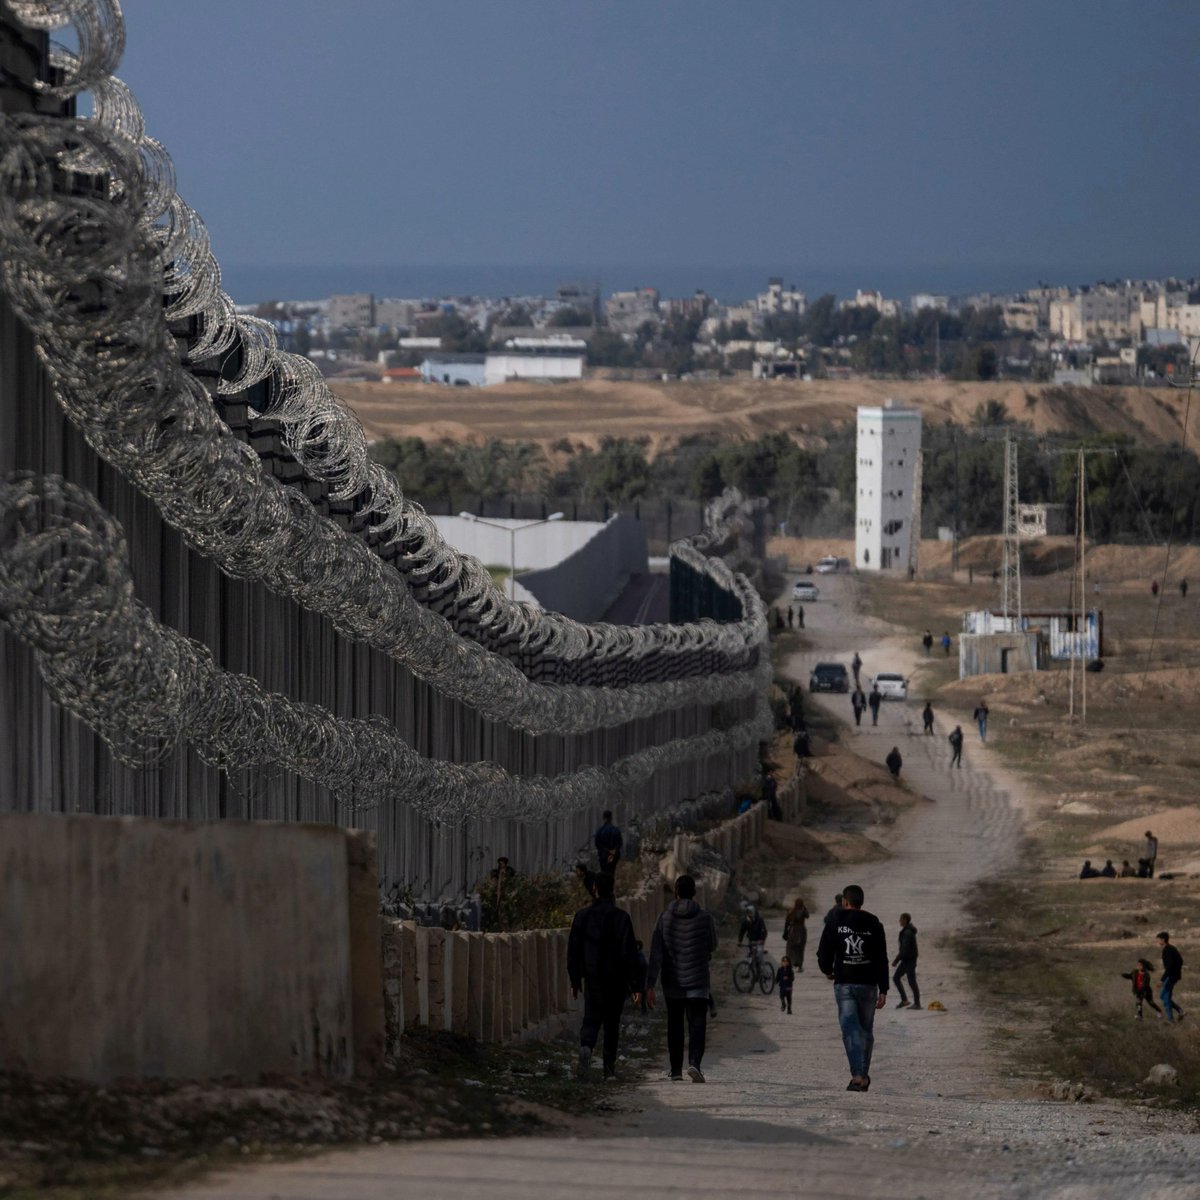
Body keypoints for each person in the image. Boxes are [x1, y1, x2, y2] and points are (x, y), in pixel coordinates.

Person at [567, 873, 641, 1081]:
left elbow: (573, 952)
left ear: (594, 890)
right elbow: (629, 953)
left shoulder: (582, 917)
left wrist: (575, 980)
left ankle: (586, 1046)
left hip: (592, 977)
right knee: (611, 1023)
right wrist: (636, 986)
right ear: (613, 890)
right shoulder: (621, 918)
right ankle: (608, 1069)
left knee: (591, 1016)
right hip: (616, 979)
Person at [817, 883, 889, 1092]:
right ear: (861, 902)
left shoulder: (835, 920)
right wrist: (883, 989)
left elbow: (823, 952)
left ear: (844, 902)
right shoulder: (874, 923)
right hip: (868, 985)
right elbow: (881, 958)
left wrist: (827, 970)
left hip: (845, 983)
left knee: (850, 1029)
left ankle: (859, 1075)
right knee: (865, 1030)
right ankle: (862, 1075)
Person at [647, 874, 718, 1082]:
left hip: (673, 982)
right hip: (698, 981)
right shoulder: (705, 918)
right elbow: (713, 944)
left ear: (676, 892)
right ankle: (694, 1063)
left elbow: (656, 953)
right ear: (694, 893)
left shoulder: (664, 918)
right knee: (697, 1024)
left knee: (675, 1025)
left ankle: (676, 1070)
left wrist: (649, 984)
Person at [892, 913, 920, 1010]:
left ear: (905, 920)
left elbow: (904, 949)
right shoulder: (907, 931)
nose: (899, 921)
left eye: (901, 919)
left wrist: (896, 960)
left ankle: (917, 1004)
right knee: (896, 978)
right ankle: (905, 1000)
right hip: (907, 959)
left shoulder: (907, 933)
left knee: (911, 981)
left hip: (909, 960)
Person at [1158, 932, 1184, 1024]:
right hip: (1173, 975)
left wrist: (1162, 980)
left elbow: (1169, 967)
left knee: (1166, 997)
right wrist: (1177, 971)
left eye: (1159, 939)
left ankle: (1170, 1019)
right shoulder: (1171, 948)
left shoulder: (1168, 950)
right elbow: (1180, 961)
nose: (1158, 941)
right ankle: (1180, 1011)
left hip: (1171, 976)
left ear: (1163, 939)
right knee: (1162, 995)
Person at [783, 896, 809, 972]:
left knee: (791, 948)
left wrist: (785, 932)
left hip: (793, 931)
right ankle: (799, 965)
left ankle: (790, 963)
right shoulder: (803, 911)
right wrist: (804, 907)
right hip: (801, 931)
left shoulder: (791, 911)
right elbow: (808, 916)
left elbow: (787, 922)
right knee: (800, 949)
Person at [633, 939, 649, 1014]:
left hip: (640, 976)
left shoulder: (639, 955)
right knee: (639, 991)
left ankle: (643, 1007)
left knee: (640, 991)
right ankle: (641, 1006)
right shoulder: (639, 954)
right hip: (639, 976)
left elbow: (643, 965)